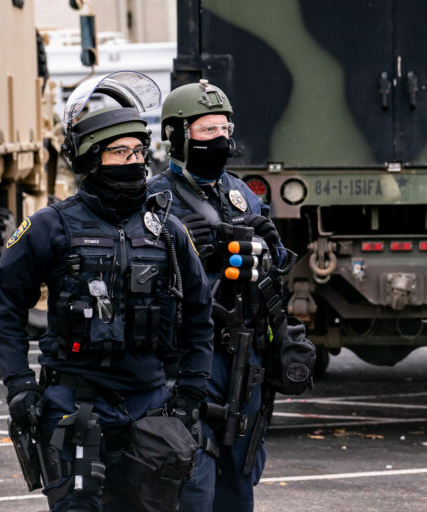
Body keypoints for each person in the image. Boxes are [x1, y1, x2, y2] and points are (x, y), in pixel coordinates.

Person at [0, 72, 214, 511]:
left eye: (138, 151)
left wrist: (190, 392)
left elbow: (198, 316)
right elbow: (5, 309)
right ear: (91, 159)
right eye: (120, 152)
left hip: (150, 408)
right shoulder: (49, 227)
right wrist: (18, 384)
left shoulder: (168, 232)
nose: (134, 161)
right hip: (74, 404)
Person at [148, 79, 314, 512]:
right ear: (177, 136)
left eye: (225, 129)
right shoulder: (153, 199)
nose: (220, 139)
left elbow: (278, 266)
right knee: (191, 479)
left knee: (240, 480)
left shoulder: (241, 194)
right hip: (186, 355)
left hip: (246, 354)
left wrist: (270, 244)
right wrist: (180, 245)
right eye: (208, 130)